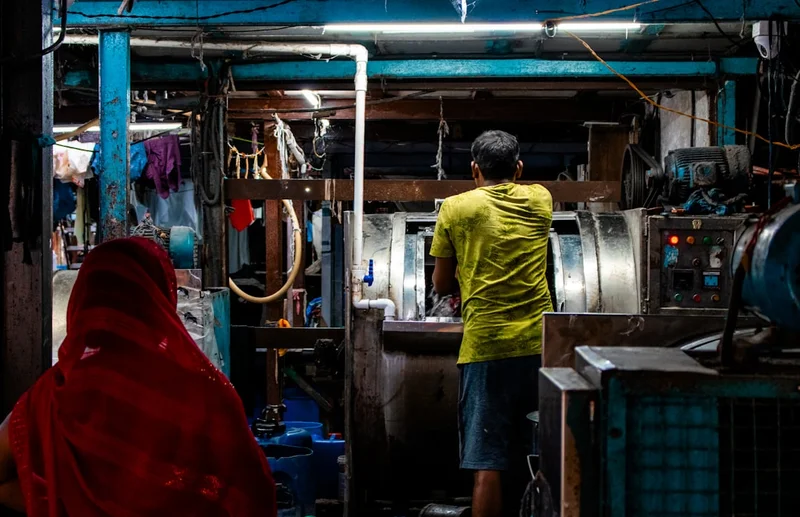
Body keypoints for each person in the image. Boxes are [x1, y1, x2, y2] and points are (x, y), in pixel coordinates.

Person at [0, 237, 276, 516]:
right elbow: (251, 496)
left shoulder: (53, 396)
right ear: (160, 298)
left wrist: (53, 501)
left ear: (82, 299)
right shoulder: (208, 397)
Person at [430, 130, 553, 517]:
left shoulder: (455, 208)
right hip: (541, 345)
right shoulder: (541, 199)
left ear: (474, 169)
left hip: (486, 348)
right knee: (544, 456)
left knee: (488, 462)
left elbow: (442, 283)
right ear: (518, 167)